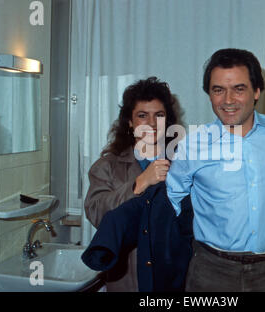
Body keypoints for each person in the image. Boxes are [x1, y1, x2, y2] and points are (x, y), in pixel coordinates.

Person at [165, 48, 265, 292]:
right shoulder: (192, 146)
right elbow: (171, 201)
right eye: (218, 90)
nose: (228, 100)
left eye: (239, 89)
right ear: (209, 94)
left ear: (257, 91)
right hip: (210, 271)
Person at [84, 76, 179, 292]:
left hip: (172, 279)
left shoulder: (185, 163)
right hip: (128, 280)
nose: (152, 124)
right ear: (129, 122)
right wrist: (140, 183)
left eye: (159, 115)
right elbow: (97, 214)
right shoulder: (106, 166)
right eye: (143, 116)